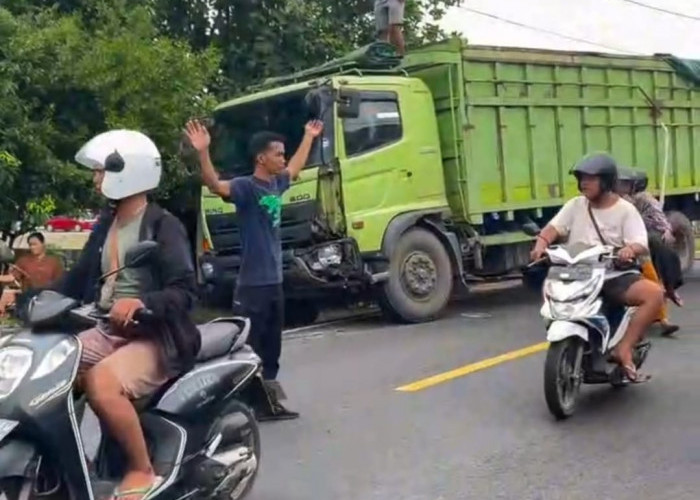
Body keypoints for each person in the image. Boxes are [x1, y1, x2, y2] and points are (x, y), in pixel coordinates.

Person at [53, 129, 200, 500]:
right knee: (46, 371)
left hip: (155, 335)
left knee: (102, 383)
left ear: (127, 170)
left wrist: (142, 302)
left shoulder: (163, 225)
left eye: (101, 170)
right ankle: (66, 465)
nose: (95, 178)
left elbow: (184, 289)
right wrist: (24, 299)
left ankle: (142, 470)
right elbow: (75, 281)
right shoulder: (107, 224)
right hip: (106, 329)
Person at [185, 118, 324, 421]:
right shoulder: (246, 188)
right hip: (252, 286)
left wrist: (308, 136)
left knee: (272, 351)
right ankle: (238, 403)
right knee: (248, 349)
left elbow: (296, 167)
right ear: (261, 158)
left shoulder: (276, 183)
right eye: (278, 154)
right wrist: (203, 152)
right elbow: (214, 184)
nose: (282, 158)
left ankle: (268, 403)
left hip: (274, 283)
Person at [530, 153, 664, 383]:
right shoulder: (575, 205)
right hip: (577, 272)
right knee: (549, 286)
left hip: (613, 273)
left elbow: (640, 242)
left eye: (591, 178)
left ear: (606, 181)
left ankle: (624, 348)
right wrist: (540, 244)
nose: (584, 183)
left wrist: (629, 250)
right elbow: (553, 228)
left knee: (655, 294)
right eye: (582, 178)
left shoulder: (625, 210)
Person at [616, 168, 681, 336]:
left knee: (653, 281)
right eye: (619, 183)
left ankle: (664, 315)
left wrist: (665, 230)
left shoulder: (642, 200)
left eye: (625, 184)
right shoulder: (613, 202)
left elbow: (659, 220)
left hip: (640, 248)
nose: (621, 186)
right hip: (617, 249)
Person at [0, 232, 64, 316]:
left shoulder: (54, 262)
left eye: (35, 244)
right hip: (28, 298)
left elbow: (60, 282)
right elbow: (12, 277)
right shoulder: (23, 261)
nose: (32, 247)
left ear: (43, 244)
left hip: (48, 299)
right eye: (30, 245)